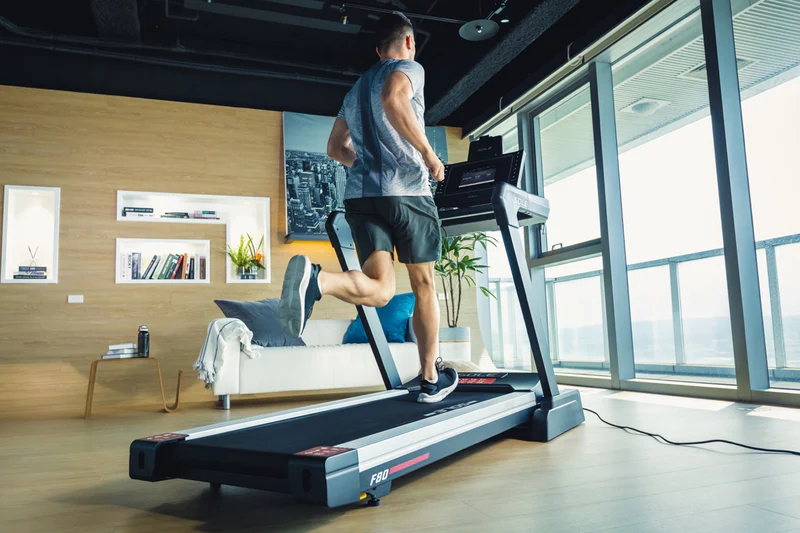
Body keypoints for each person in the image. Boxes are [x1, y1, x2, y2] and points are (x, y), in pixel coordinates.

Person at [278, 11, 457, 403]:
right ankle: (429, 378)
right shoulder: (412, 67)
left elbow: (335, 149)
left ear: (377, 50)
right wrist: (428, 154)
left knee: (380, 291)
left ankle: (318, 281)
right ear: (408, 42)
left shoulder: (355, 89)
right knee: (424, 284)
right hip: (408, 193)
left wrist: (366, 166)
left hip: (361, 198)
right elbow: (394, 98)